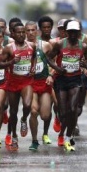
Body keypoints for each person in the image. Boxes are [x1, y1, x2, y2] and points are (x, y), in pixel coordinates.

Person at [46, 21, 87, 151]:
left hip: (76, 80)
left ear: (78, 33)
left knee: (73, 109)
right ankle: (61, 133)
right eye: (70, 32)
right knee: (63, 112)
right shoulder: (60, 44)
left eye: (74, 32)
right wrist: (57, 69)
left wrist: (85, 66)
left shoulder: (83, 46)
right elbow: (48, 58)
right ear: (66, 32)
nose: (72, 34)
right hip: (61, 80)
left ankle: (68, 136)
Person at [0, 22, 36, 150]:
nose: (21, 34)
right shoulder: (8, 48)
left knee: (27, 105)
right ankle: (14, 136)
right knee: (13, 112)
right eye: (18, 32)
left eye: (23, 32)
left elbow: (34, 57)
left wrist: (33, 66)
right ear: (13, 34)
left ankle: (24, 119)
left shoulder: (32, 46)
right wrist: (12, 61)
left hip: (26, 81)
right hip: (13, 82)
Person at [25, 21, 54, 150]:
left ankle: (45, 134)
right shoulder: (21, 46)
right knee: (33, 111)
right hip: (30, 84)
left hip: (43, 82)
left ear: (37, 31)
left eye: (33, 30)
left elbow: (54, 62)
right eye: (28, 30)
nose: (30, 33)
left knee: (45, 115)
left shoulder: (46, 45)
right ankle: (34, 140)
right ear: (25, 32)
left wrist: (51, 75)